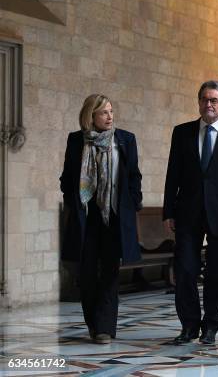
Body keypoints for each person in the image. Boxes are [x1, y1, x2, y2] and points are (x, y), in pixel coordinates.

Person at [163, 81, 218, 345]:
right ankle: (189, 325)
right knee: (185, 269)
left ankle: (211, 325)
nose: (209, 105)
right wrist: (168, 211)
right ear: (199, 102)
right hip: (187, 212)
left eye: (214, 100)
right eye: (204, 100)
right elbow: (172, 173)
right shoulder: (182, 132)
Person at [60, 94, 142, 344]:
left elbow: (134, 177)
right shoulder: (76, 141)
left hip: (114, 215)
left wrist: (132, 202)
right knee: (86, 273)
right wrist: (74, 199)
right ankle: (93, 325)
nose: (110, 116)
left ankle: (105, 328)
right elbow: (66, 177)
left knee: (109, 271)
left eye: (111, 111)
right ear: (91, 115)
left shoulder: (125, 140)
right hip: (87, 216)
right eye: (104, 112)